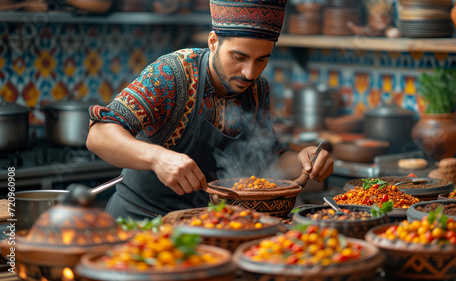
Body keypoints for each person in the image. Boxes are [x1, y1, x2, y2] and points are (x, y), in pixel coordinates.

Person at [86, 0, 334, 220]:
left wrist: (305, 161)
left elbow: (269, 161)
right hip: (139, 222)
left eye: (261, 60)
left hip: (207, 226)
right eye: (239, 56)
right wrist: (157, 157)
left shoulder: (258, 90)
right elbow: (99, 135)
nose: (249, 72)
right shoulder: (172, 74)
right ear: (214, 42)